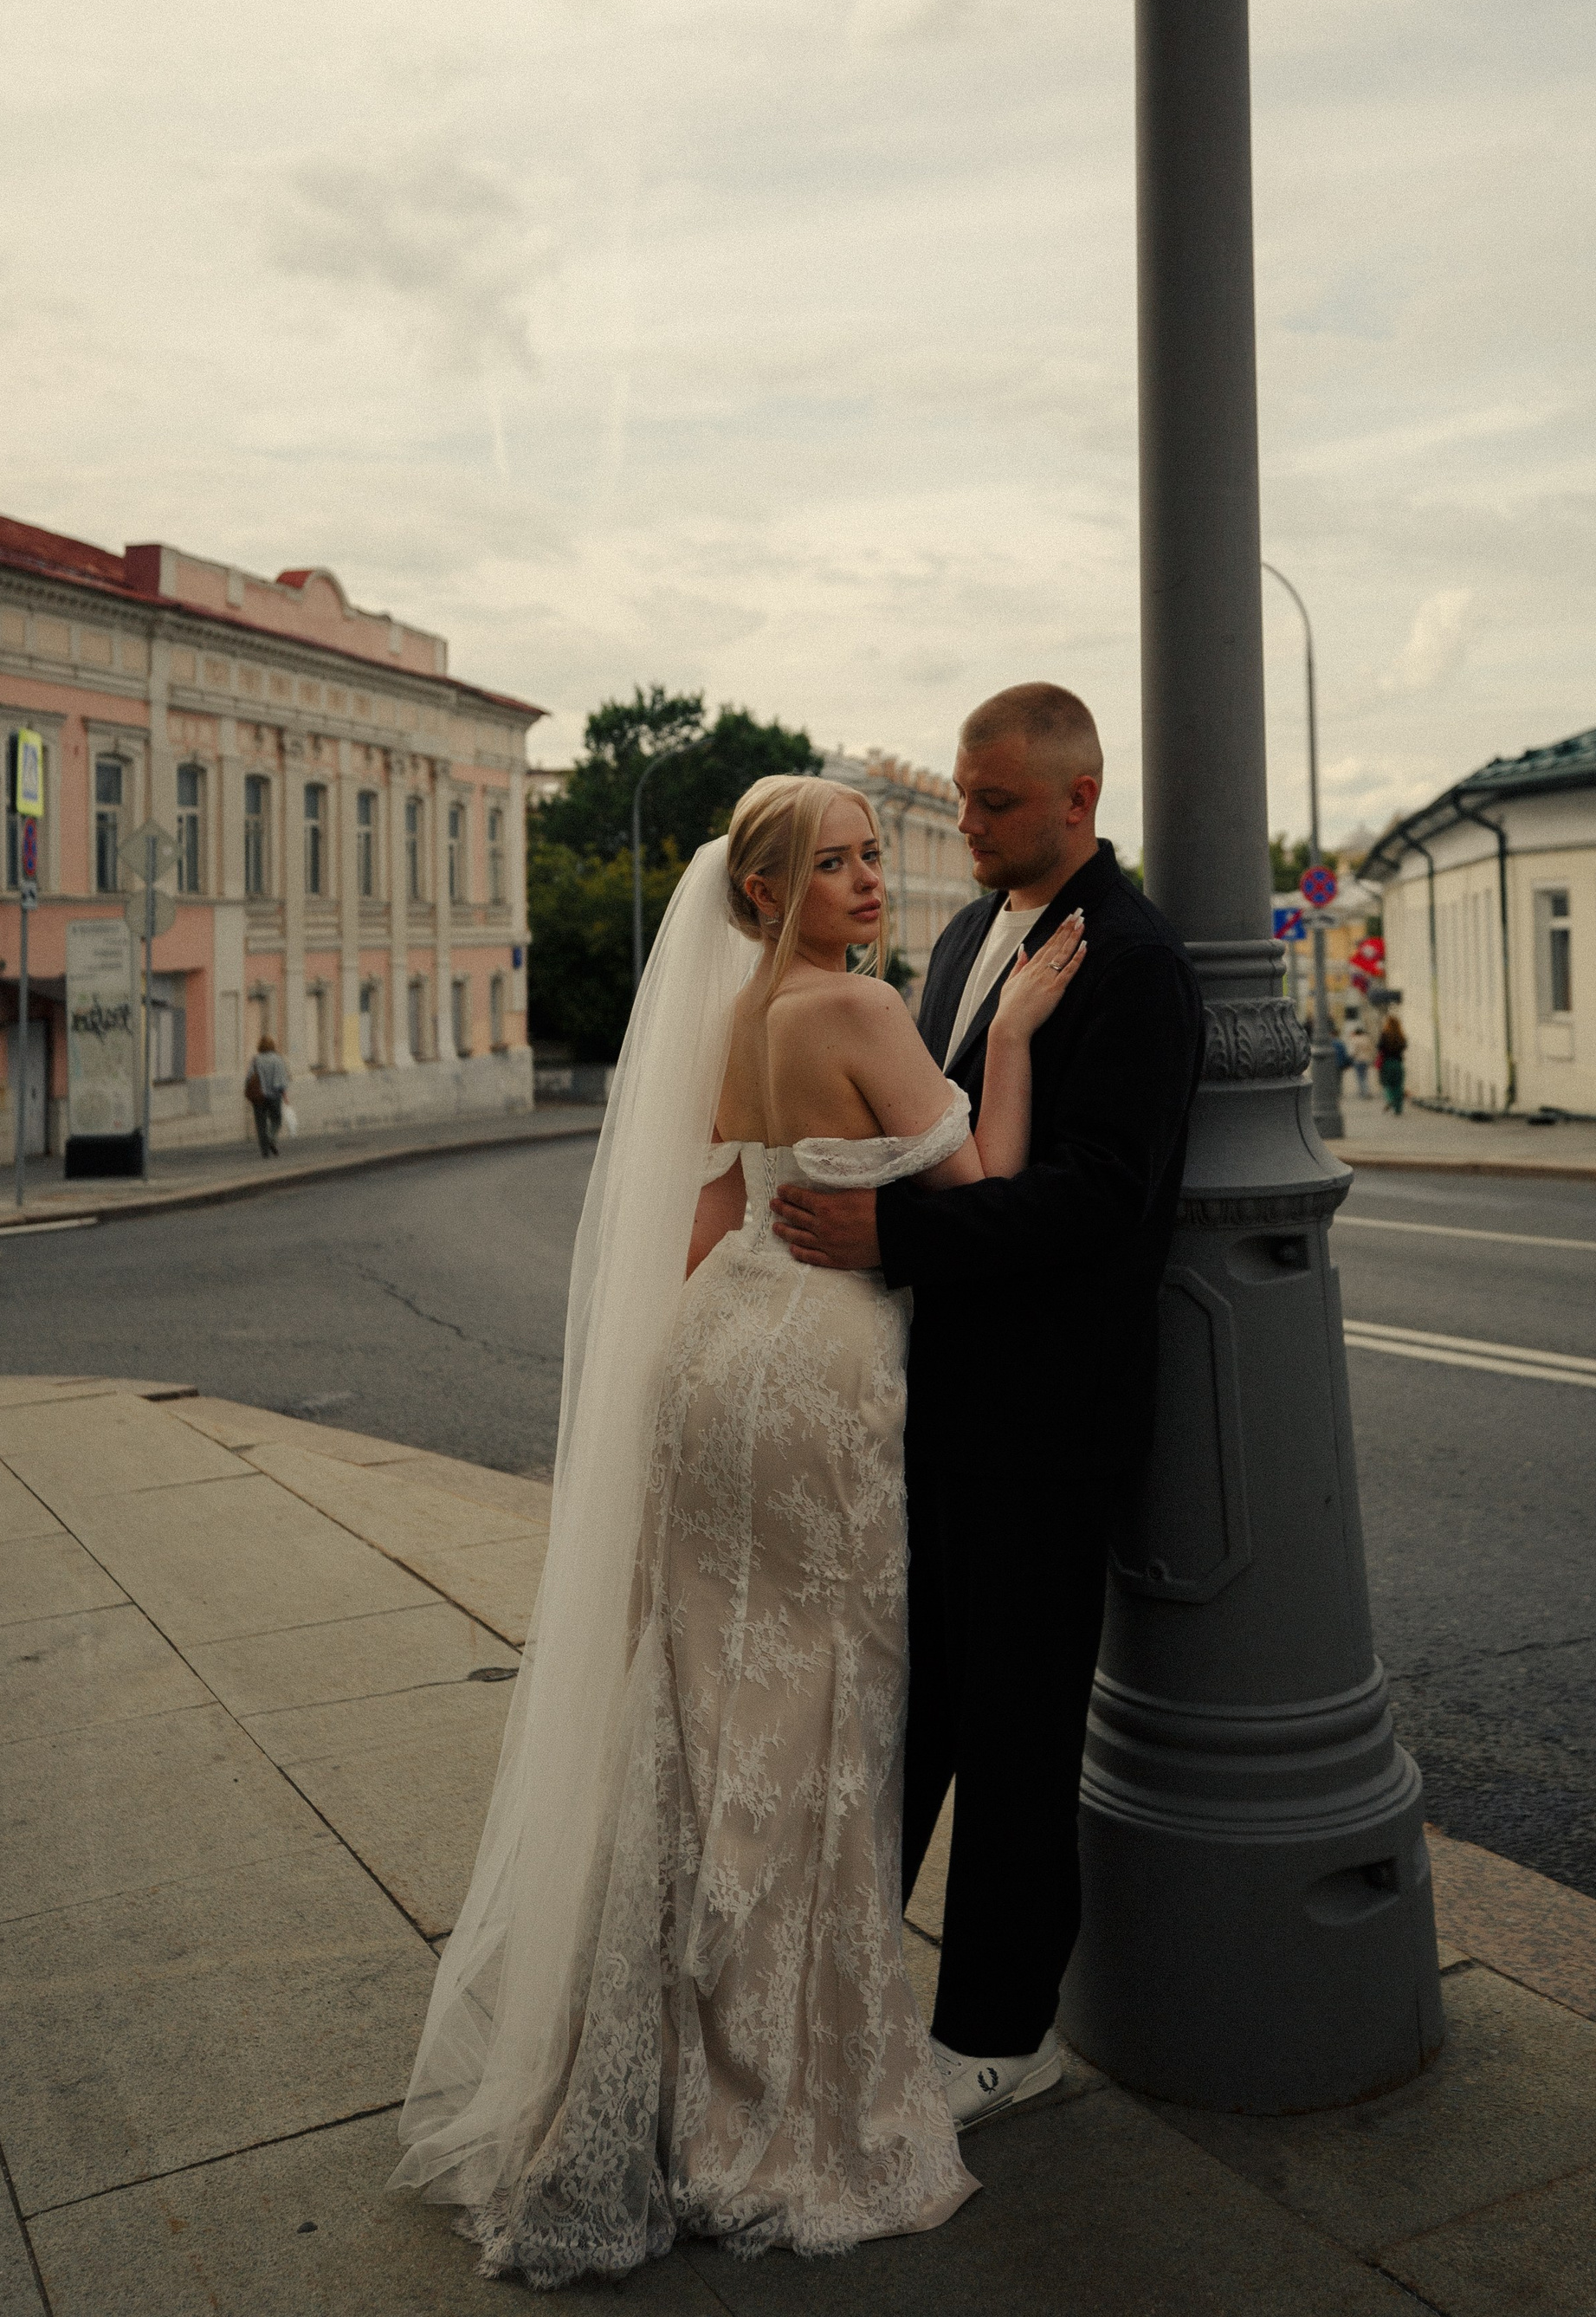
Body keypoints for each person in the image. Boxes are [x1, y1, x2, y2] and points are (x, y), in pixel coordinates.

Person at [392, 773, 1085, 2283]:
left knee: (703, 1708)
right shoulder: (856, 1014)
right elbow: (984, 1197)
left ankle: (657, 2061)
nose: (867, 882)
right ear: (766, 893)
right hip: (820, 1378)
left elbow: (706, 1230)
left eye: (867, 857)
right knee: (816, 1718)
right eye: (834, 867)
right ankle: (776, 2087)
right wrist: (1015, 1038)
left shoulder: (723, 1023)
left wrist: (666, 1394)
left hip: (708, 1368)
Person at [772, 686, 1205, 2133]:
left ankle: (1003, 2038)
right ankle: (836, 1988)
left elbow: (1097, 1204)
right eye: (960, 798)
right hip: (928, 1397)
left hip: (1044, 1420)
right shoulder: (966, 937)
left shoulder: (1139, 963)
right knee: (914, 1713)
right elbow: (944, 1138)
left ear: (1079, 802)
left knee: (1018, 1738)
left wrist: (890, 1245)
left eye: (994, 804)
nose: (962, 826)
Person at [244, 1033, 288, 1157]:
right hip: (274, 1095)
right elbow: (281, 1079)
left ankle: (264, 1151)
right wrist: (284, 1095)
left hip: (259, 1096)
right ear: (272, 1046)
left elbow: (249, 1077)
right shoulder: (277, 1059)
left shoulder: (256, 1060)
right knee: (276, 1119)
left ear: (260, 1046)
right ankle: (271, 1137)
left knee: (260, 1123)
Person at [1377, 1007, 1408, 1116]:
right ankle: (1398, 1109)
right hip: (1398, 1063)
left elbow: (1379, 1047)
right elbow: (1404, 1046)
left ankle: (1390, 1099)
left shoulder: (1384, 1036)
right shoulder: (1401, 1036)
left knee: (1388, 1085)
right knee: (1398, 1086)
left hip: (1387, 1063)